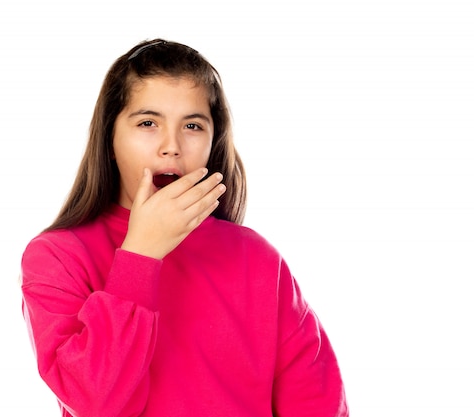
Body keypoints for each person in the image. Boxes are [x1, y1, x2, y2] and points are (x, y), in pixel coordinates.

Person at [20, 38, 349, 417]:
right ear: (110, 139)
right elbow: (96, 404)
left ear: (213, 142)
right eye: (147, 123)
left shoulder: (257, 258)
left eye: (192, 125)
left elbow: (316, 403)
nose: (171, 146)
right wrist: (141, 255)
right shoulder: (57, 256)